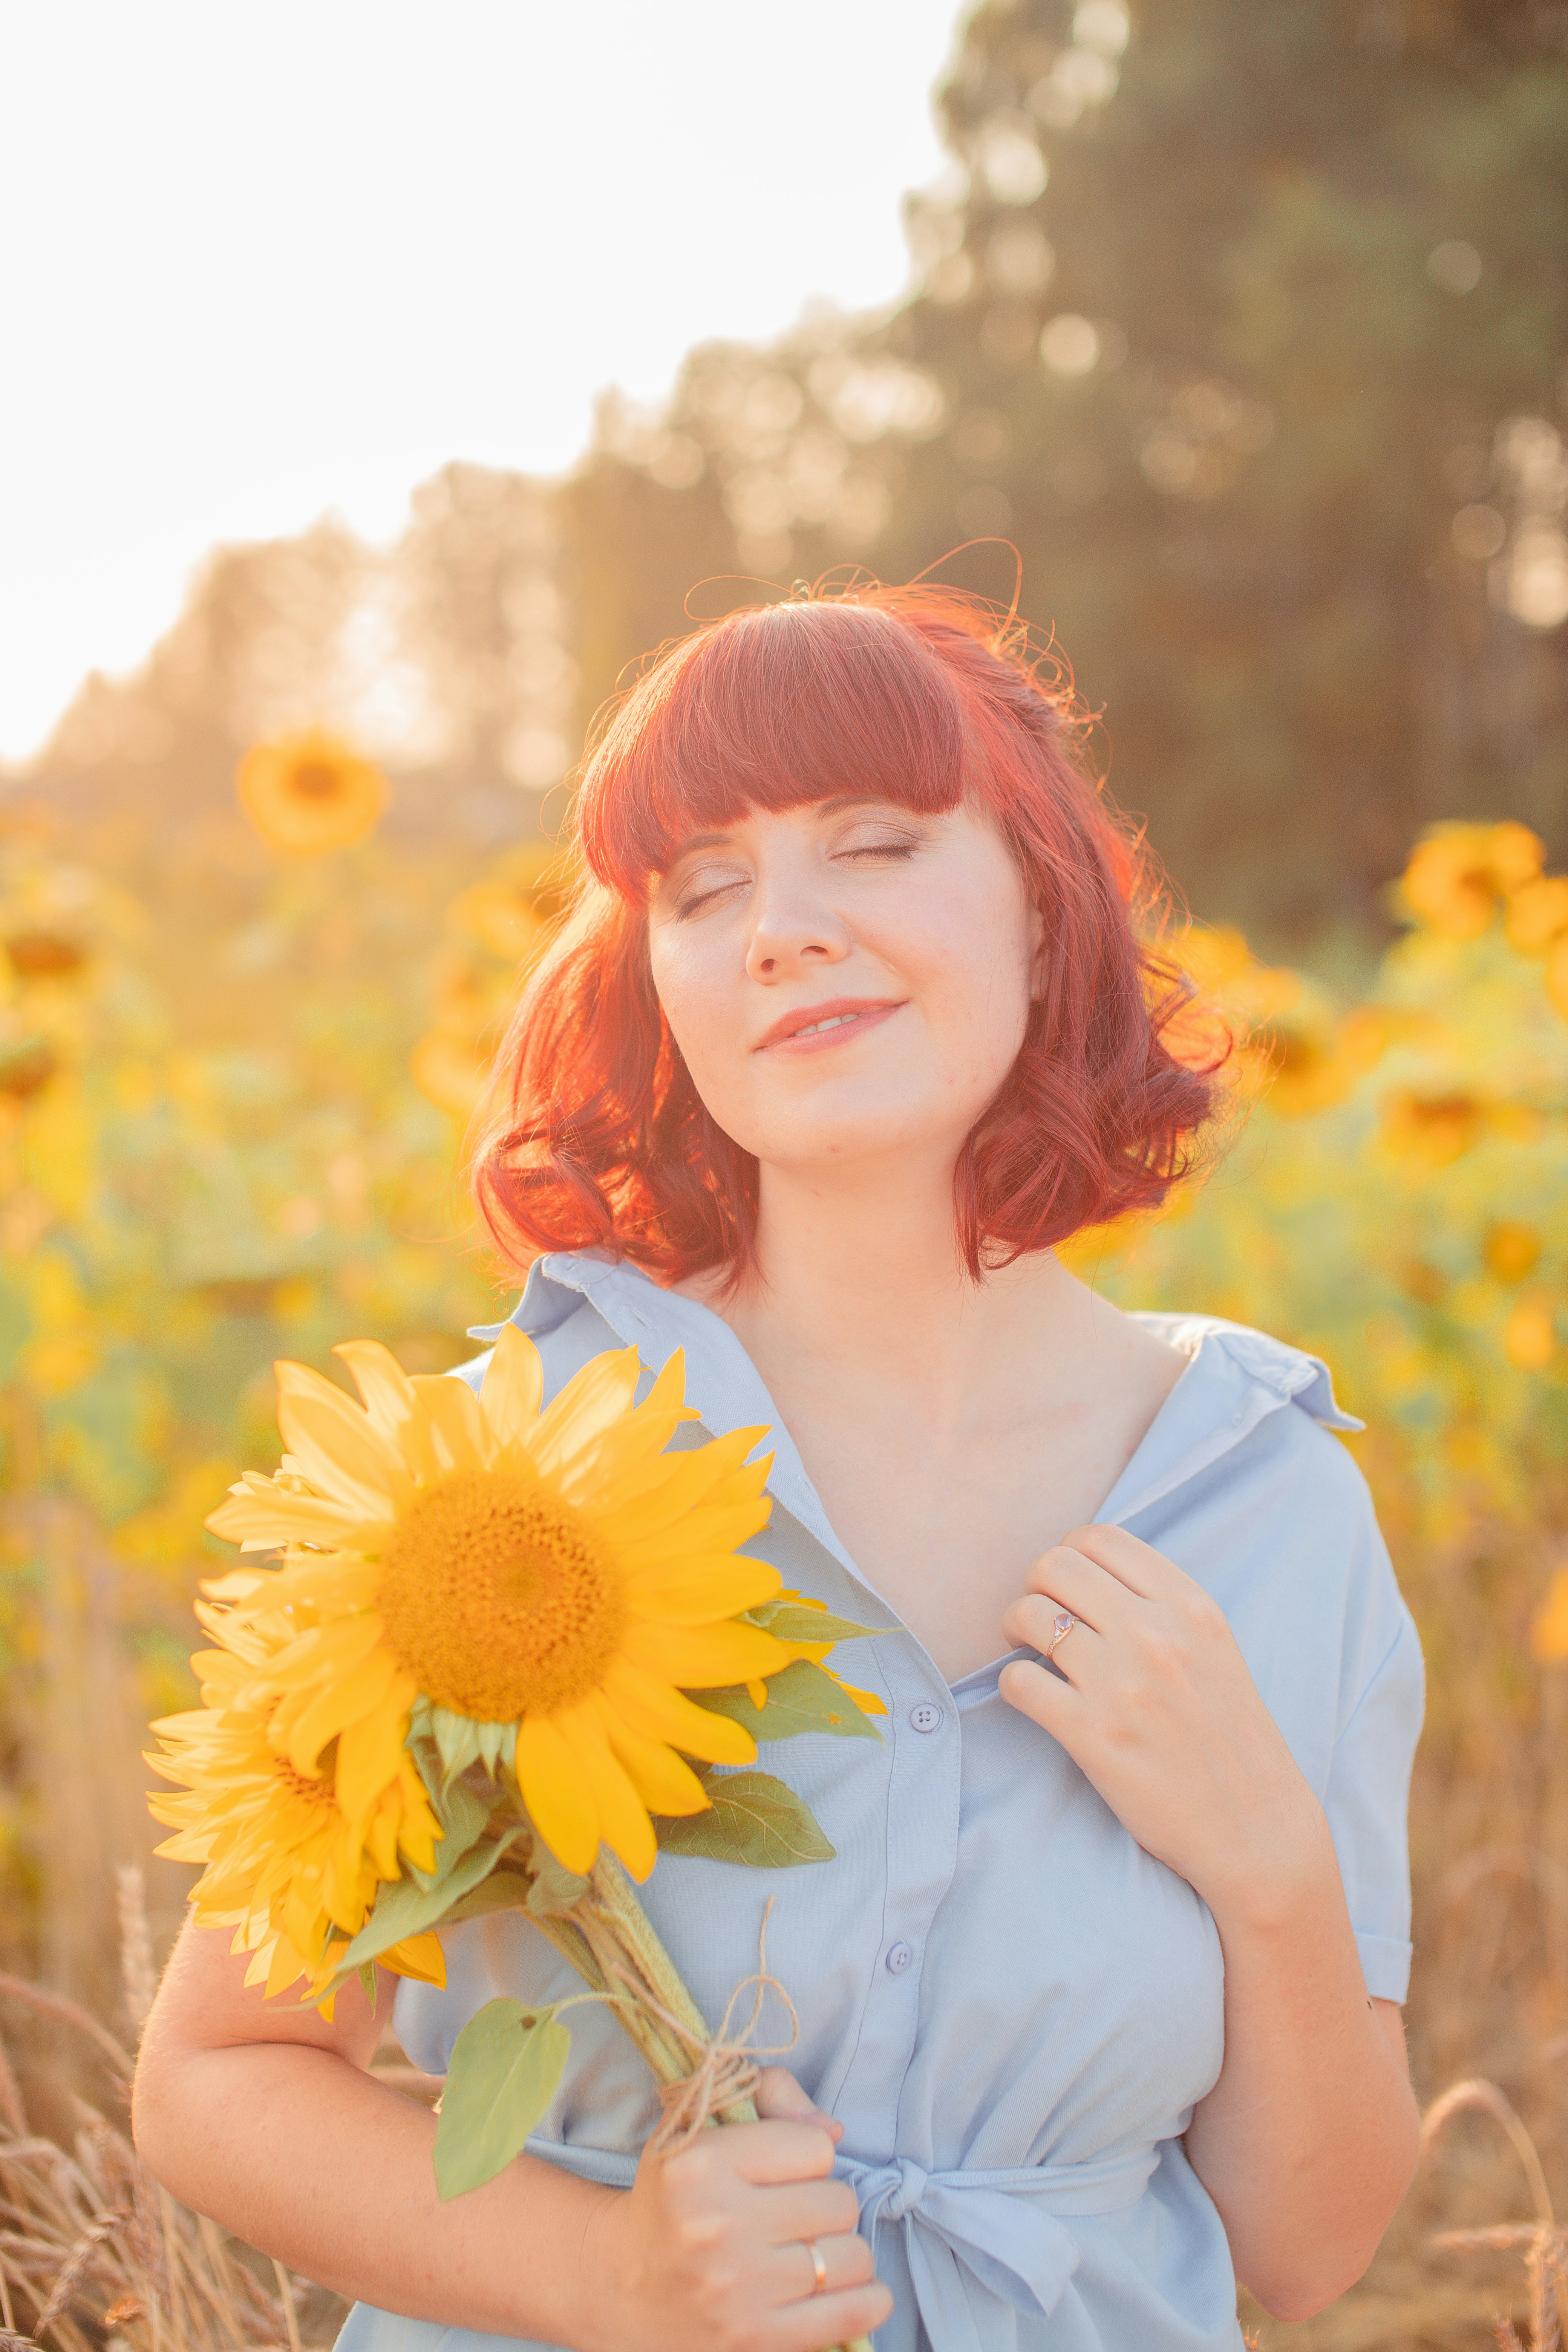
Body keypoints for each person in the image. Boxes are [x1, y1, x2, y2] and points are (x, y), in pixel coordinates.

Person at [134, 585, 1424, 2352]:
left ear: (1046, 918)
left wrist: (1267, 1866)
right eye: (703, 886)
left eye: (870, 845)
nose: (780, 930)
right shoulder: (501, 1478)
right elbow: (217, 2074)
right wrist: (606, 2278)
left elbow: (1305, 2252)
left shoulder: (1265, 1507)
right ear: (659, 981)